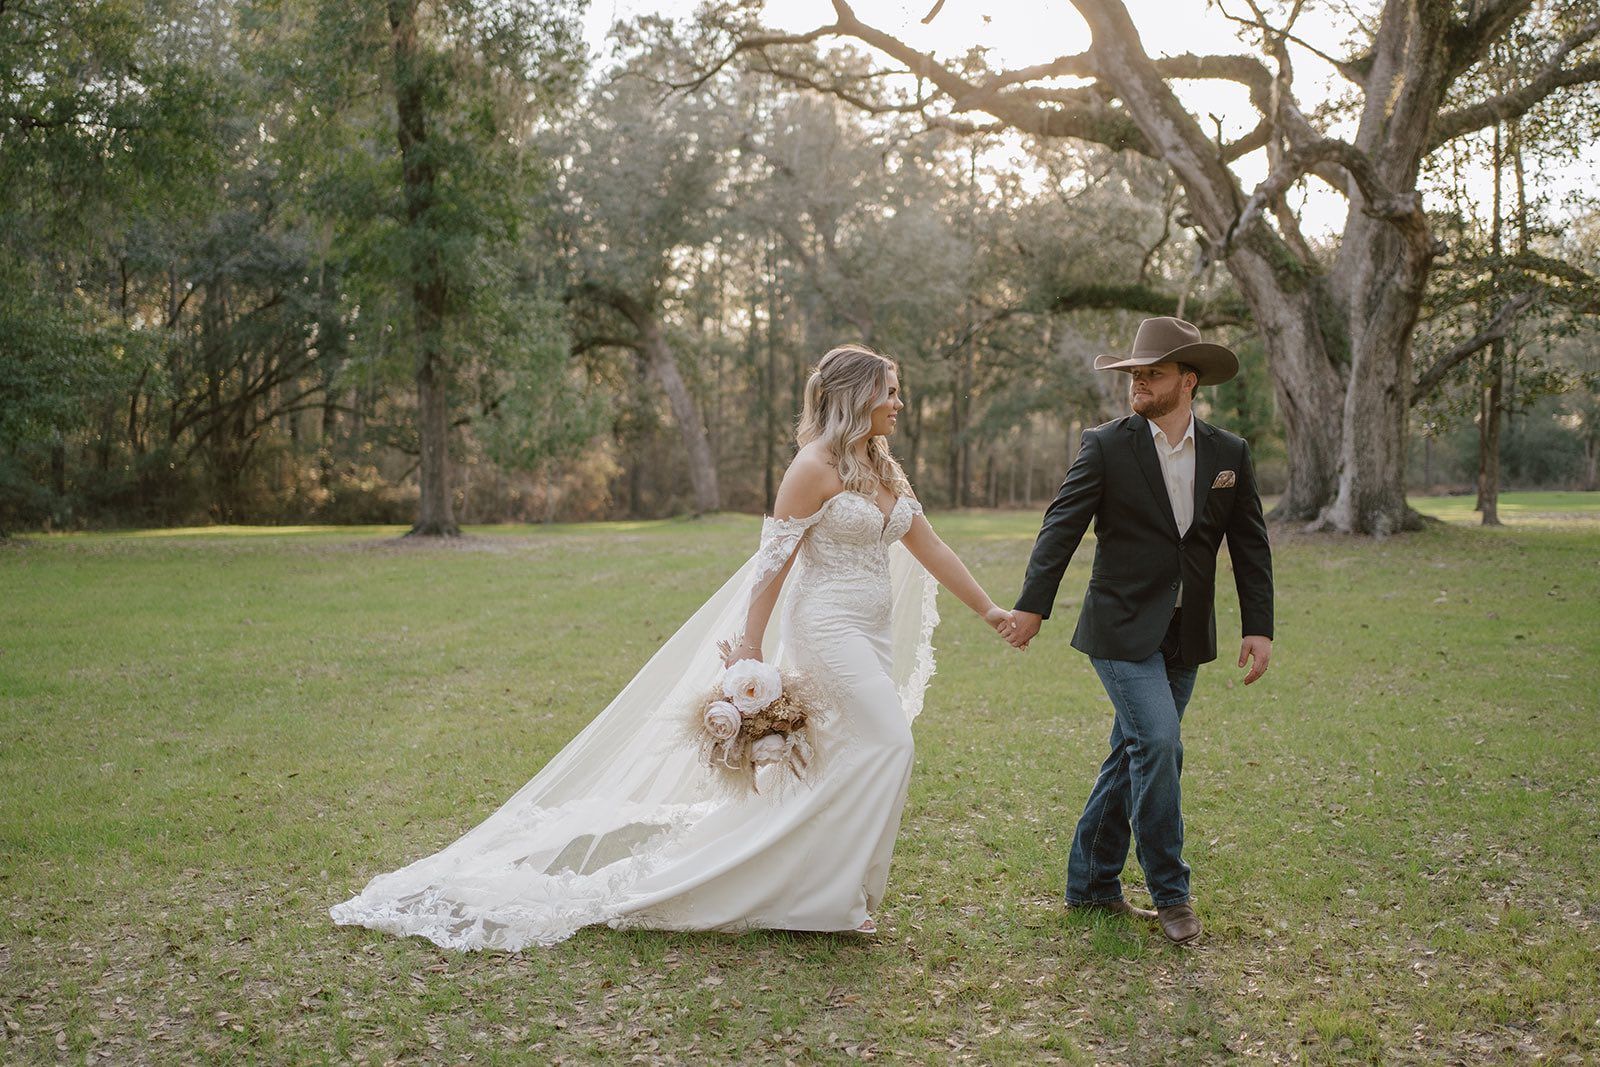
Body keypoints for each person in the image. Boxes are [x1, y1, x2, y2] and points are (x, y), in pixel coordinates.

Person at [331, 343, 1014, 950]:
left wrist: (989, 610)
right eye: (890, 390)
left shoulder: (882, 465)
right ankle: (819, 893)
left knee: (843, 755)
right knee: (890, 741)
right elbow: (771, 565)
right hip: (827, 630)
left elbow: (929, 544)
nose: (899, 403)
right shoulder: (811, 467)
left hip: (868, 629)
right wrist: (749, 653)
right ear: (857, 396)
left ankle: (827, 895)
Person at [1002, 316, 1274, 945]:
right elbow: (1060, 528)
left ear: (1189, 380)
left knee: (1133, 752)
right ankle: (1171, 893)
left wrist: (1257, 626)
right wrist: (1032, 607)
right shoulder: (1105, 445)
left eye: (1152, 374)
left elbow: (1251, 545)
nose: (1139, 384)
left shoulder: (1229, 454)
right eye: (1134, 375)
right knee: (1158, 743)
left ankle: (1091, 883)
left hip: (1187, 632)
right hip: (1119, 626)